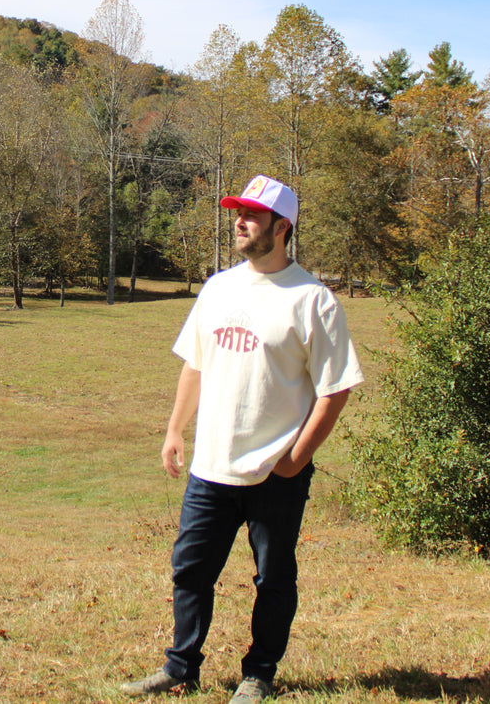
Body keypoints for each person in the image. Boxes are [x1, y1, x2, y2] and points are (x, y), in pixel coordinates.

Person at [121, 175, 364, 703]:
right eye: (238, 213)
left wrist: (296, 459)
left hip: (275, 471)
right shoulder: (218, 288)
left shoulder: (312, 300)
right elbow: (195, 365)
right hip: (212, 465)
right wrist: (174, 429)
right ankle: (181, 667)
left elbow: (336, 388)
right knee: (190, 571)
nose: (240, 222)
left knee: (272, 578)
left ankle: (259, 674)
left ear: (282, 227)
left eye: (252, 215)